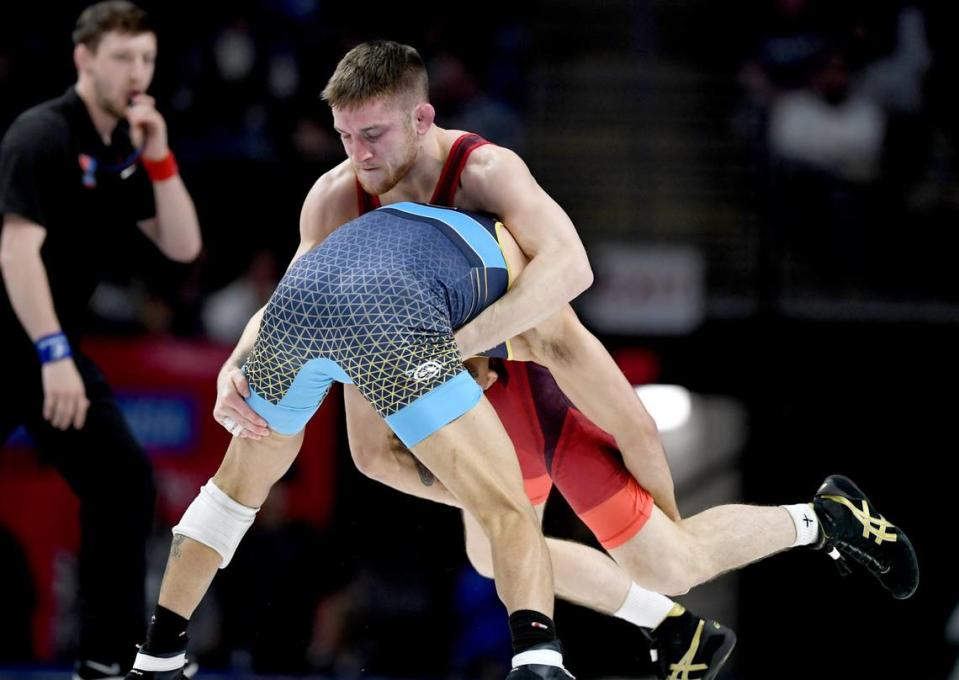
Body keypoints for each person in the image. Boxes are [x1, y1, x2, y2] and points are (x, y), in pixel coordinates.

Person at [210, 40, 918, 678]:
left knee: (668, 561)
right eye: (344, 137)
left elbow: (571, 269)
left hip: (533, 371)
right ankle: (664, 622)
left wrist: (458, 344)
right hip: (450, 378)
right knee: (429, 502)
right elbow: (292, 295)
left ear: (422, 119)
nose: (359, 155)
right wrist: (235, 363)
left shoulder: (483, 169)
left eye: (373, 134)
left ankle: (819, 520)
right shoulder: (337, 197)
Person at [126, 203, 581, 680]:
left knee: (229, 497)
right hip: (390, 308)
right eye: (488, 378)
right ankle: (538, 660)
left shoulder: (348, 202)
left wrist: (234, 364)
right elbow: (577, 292)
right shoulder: (523, 273)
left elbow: (293, 288)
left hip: (294, 305)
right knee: (513, 505)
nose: (485, 387)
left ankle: (157, 656)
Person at [0, 2, 202, 678]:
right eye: (122, 58)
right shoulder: (40, 135)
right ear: (83, 59)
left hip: (48, 350)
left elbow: (182, 244)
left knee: (122, 484)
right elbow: (17, 253)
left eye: (146, 58)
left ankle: (107, 665)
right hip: (21, 339)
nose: (136, 72)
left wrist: (161, 155)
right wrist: (52, 352)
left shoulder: (124, 146)